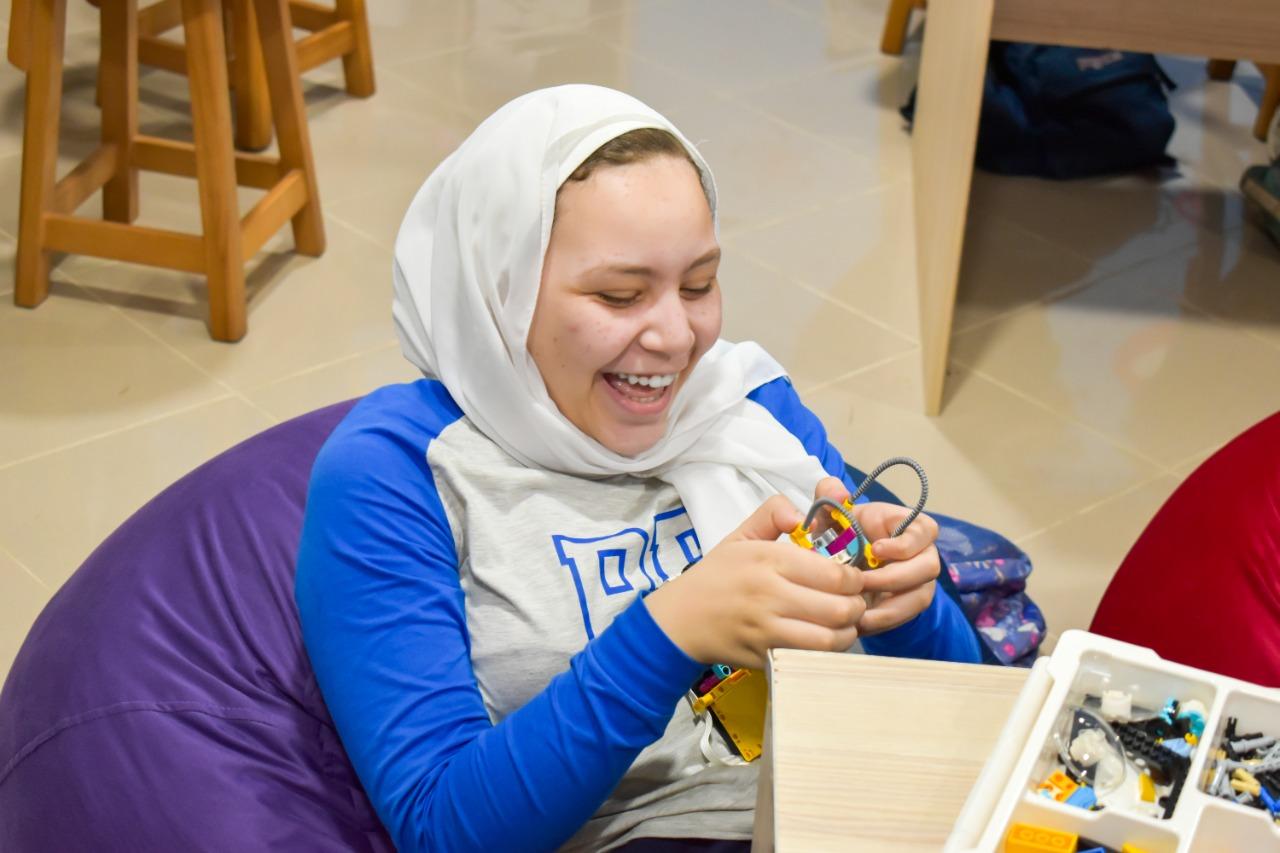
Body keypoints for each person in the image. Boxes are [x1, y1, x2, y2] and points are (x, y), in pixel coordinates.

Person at [295, 84, 982, 853]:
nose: (677, 337)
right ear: (501, 292)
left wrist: (909, 613)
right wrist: (670, 630)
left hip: (848, 806)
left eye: (699, 284)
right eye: (620, 295)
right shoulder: (395, 472)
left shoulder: (748, 408)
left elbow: (980, 719)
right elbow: (444, 830)